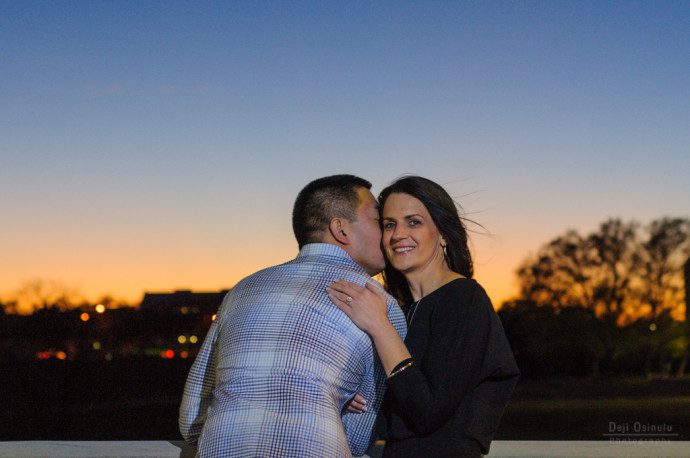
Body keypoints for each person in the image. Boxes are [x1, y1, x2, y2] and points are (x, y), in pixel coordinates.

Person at [179, 175, 407, 457]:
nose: (388, 235)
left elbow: (191, 418)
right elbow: (359, 438)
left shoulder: (244, 289)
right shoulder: (378, 305)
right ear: (340, 229)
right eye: (378, 221)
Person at [327, 176, 519, 457]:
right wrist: (359, 398)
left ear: (443, 233)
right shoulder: (400, 312)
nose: (397, 234)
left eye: (413, 222)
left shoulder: (464, 299)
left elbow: (427, 412)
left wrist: (379, 327)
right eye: (389, 224)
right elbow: (394, 416)